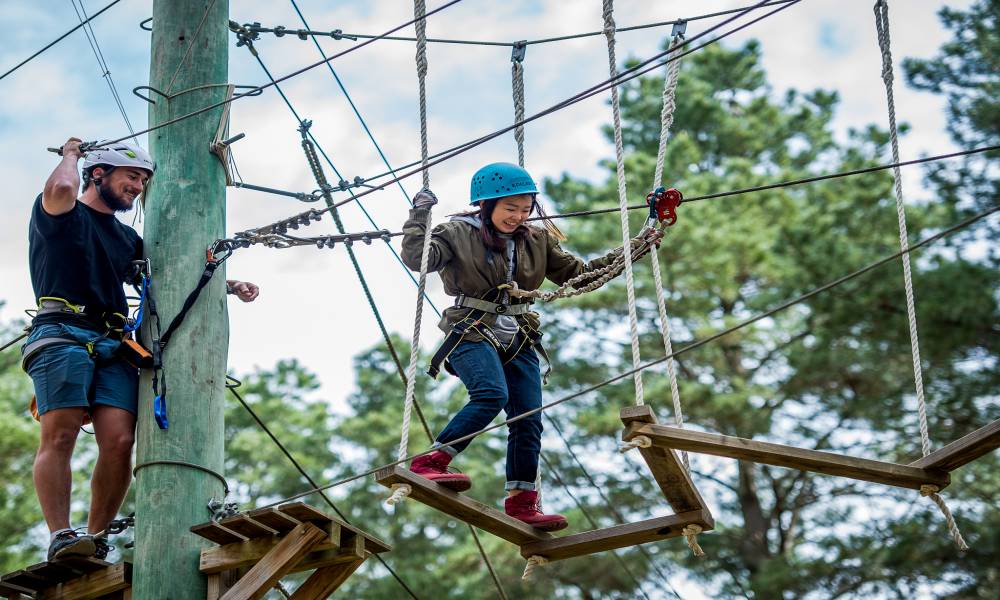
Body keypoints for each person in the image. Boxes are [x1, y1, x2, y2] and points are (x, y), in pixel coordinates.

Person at [24, 138, 259, 562]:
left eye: (144, 180)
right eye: (130, 176)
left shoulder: (126, 238)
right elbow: (61, 190)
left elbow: (169, 277)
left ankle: (92, 540)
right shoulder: (60, 213)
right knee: (59, 434)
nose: (138, 186)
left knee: (119, 439)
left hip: (113, 343)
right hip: (62, 332)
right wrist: (71, 154)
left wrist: (228, 284)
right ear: (98, 174)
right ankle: (61, 533)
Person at [400, 162, 661, 531]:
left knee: (528, 418)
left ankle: (522, 500)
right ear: (486, 205)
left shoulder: (536, 240)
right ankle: (431, 461)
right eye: (511, 209)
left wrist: (634, 249)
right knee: (490, 395)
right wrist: (419, 216)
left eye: (525, 209)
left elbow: (580, 276)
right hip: (471, 330)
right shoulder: (456, 232)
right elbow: (418, 259)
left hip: (520, 334)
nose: (518, 217)